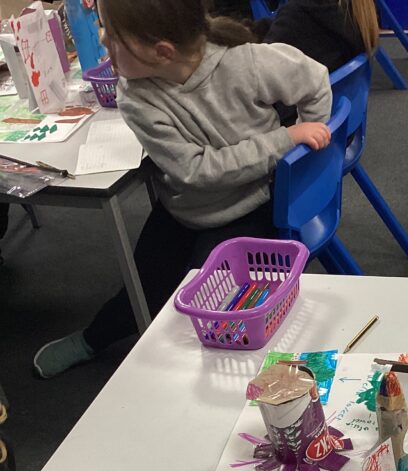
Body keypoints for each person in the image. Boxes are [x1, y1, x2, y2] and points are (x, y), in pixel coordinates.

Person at [34, 0, 332, 378]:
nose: (101, 38)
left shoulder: (245, 61)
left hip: (250, 206)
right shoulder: (136, 96)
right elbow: (196, 171)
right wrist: (284, 140)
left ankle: (211, 379)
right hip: (186, 208)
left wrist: (300, 164)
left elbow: (315, 80)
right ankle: (95, 338)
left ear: (162, 52)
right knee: (145, 284)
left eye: (112, 34)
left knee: (213, 306)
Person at [209, 0, 378, 72]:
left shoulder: (299, 15)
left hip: (291, 121)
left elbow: (255, 71)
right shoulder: (352, 10)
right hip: (328, 117)